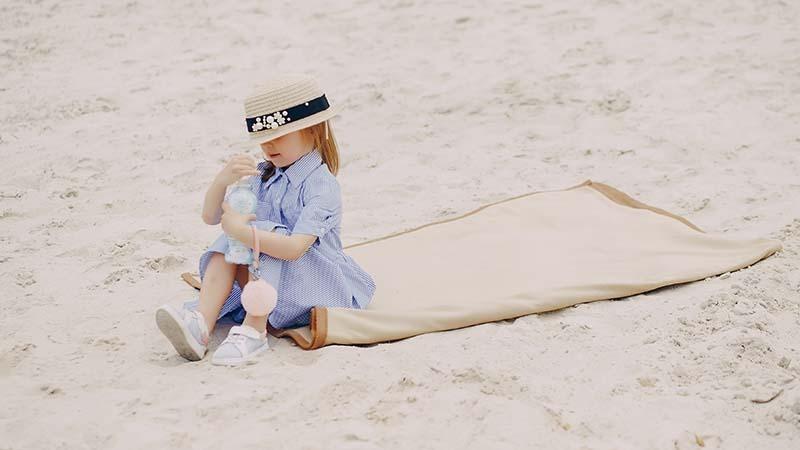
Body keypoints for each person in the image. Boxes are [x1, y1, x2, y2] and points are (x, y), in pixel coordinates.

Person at [155, 74, 377, 366]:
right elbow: (211, 217)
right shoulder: (265, 175)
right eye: (262, 140)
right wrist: (222, 181)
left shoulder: (322, 186)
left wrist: (244, 233)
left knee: (259, 232)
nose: (268, 147)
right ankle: (201, 325)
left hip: (314, 286)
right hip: (267, 284)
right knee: (241, 233)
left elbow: (294, 248)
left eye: (278, 136)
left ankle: (254, 330)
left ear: (313, 130)